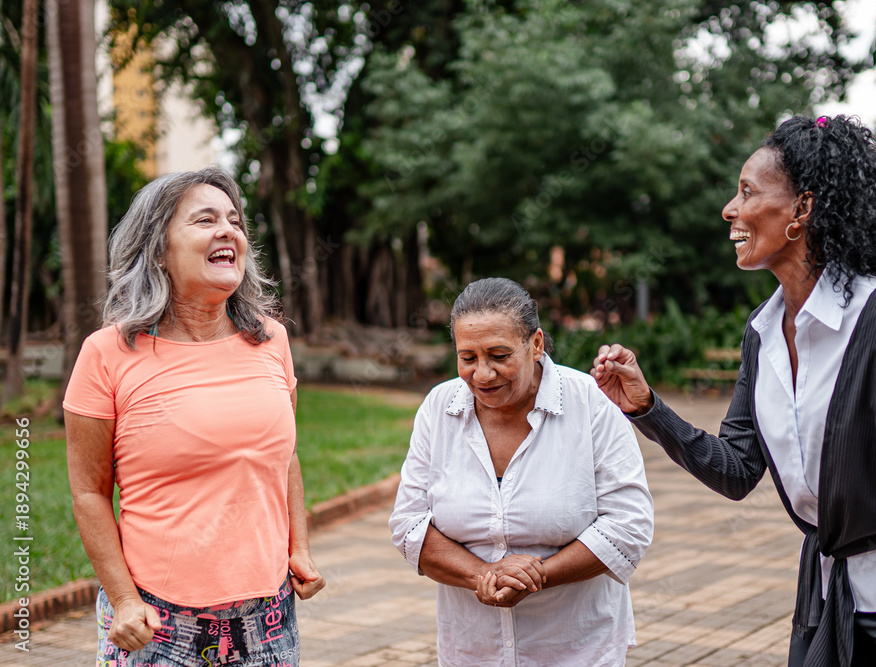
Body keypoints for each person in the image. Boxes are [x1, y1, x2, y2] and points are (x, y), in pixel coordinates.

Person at [592, 115, 876, 666]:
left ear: (802, 209)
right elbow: (738, 470)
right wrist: (647, 407)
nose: (729, 210)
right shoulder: (763, 331)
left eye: (747, 192)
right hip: (832, 602)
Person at [65, 167, 325, 667]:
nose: (228, 230)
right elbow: (89, 492)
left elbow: (285, 456)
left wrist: (300, 547)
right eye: (205, 220)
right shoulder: (107, 353)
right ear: (158, 251)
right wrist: (123, 600)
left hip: (269, 616)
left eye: (234, 221)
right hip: (156, 621)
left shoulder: (271, 339)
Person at [389, 277, 654, 666]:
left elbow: (628, 526)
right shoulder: (438, 407)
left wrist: (537, 576)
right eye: (467, 357)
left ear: (536, 343)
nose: (483, 374)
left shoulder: (590, 403)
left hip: (578, 650)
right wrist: (484, 575)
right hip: (473, 651)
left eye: (499, 355)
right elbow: (409, 524)